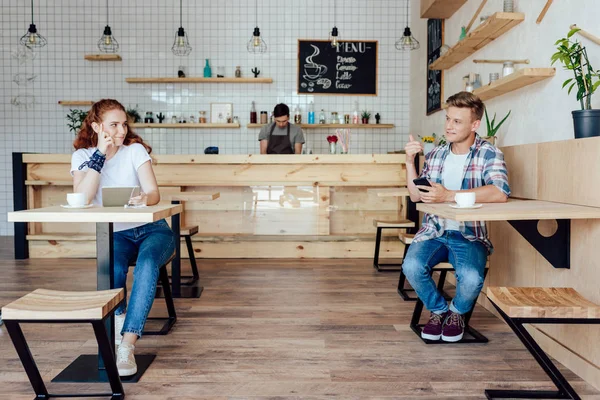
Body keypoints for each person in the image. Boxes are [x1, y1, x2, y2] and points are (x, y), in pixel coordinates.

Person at [70, 99, 176, 376]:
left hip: (153, 230)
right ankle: (117, 323)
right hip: (115, 233)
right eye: (114, 124)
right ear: (97, 126)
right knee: (112, 270)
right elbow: (83, 197)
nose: (121, 130)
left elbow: (154, 193)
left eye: (124, 124)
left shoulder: (134, 150)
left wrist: (145, 198)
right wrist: (100, 156)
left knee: (147, 264)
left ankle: (128, 344)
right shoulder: (83, 157)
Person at [402, 91, 510, 342]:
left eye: (457, 121)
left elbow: (499, 192)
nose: (449, 126)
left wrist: (449, 195)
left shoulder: (489, 153)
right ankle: (439, 311)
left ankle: (457, 312)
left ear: (475, 125)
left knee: (472, 278)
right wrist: (410, 162)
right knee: (412, 266)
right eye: (448, 119)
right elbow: (417, 196)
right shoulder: (436, 153)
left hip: (469, 234)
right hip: (434, 231)